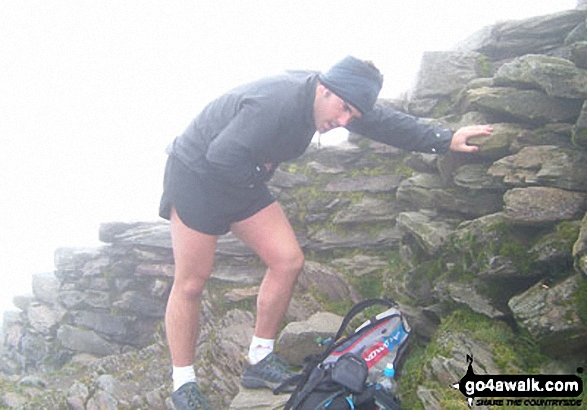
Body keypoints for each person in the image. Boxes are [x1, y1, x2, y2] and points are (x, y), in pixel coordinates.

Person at [159, 56, 493, 409]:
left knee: (288, 261)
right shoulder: (278, 103)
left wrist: (445, 139)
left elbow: (384, 124)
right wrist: (258, 175)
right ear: (324, 88)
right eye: (343, 109)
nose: (344, 121)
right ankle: (183, 383)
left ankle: (259, 358)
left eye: (353, 115)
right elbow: (221, 155)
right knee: (192, 282)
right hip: (195, 173)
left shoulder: (333, 99)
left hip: (242, 173)